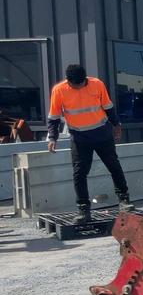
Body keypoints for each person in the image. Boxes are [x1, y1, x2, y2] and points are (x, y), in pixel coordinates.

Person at [46, 64, 130, 221]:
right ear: (68, 80)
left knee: (113, 165)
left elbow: (108, 107)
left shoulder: (97, 84)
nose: (79, 86)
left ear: (85, 78)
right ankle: (83, 209)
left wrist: (116, 124)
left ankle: (124, 200)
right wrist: (52, 138)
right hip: (79, 138)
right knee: (79, 173)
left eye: (81, 83)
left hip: (102, 134)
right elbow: (54, 117)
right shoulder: (59, 90)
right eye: (75, 84)